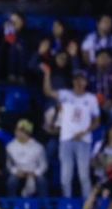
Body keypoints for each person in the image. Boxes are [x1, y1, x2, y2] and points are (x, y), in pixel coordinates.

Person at [42, 67, 101, 198]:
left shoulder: (91, 98)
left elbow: (97, 121)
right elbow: (47, 91)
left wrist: (84, 132)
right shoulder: (65, 95)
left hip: (84, 140)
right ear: (73, 81)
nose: (79, 82)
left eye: (82, 80)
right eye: (76, 80)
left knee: (84, 175)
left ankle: (87, 203)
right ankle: (67, 203)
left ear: (86, 82)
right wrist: (47, 74)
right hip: (66, 139)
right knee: (65, 176)